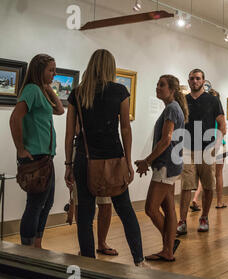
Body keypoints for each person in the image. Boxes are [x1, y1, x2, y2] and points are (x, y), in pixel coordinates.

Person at [64, 49, 144, 266]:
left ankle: (88, 263)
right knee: (125, 210)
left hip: (84, 158)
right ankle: (138, 260)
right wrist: (128, 161)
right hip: (114, 158)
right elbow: (125, 130)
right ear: (110, 67)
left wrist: (68, 164)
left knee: (85, 215)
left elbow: (70, 132)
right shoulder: (119, 91)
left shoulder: (78, 93)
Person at [9, 54, 65, 247]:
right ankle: (27, 248)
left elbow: (60, 110)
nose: (54, 74)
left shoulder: (40, 90)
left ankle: (37, 245)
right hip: (35, 156)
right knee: (35, 205)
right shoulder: (32, 90)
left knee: (46, 203)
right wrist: (21, 149)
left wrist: (48, 87)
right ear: (39, 70)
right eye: (51, 70)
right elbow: (15, 118)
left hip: (46, 157)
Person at [135, 75, 187, 262]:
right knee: (169, 208)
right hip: (170, 164)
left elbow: (166, 140)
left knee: (151, 208)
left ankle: (168, 244)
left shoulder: (172, 109)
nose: (157, 87)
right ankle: (168, 249)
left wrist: (146, 161)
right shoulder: (173, 108)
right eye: (157, 84)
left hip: (166, 165)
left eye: (162, 85)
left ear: (172, 90)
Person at [177, 69, 226, 235]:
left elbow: (222, 124)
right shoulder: (183, 100)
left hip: (207, 149)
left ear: (203, 81)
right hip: (187, 149)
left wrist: (216, 146)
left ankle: (204, 217)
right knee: (185, 187)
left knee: (208, 186)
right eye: (191, 79)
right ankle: (182, 221)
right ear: (189, 81)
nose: (194, 81)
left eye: (197, 78)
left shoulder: (213, 101)